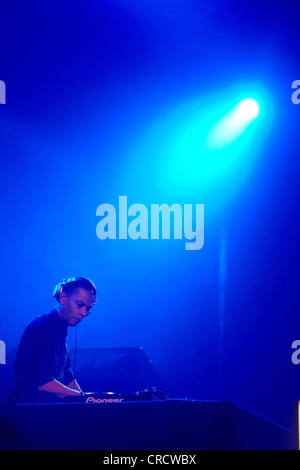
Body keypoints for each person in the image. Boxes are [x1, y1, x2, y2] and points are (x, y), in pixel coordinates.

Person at [7, 277, 97, 404]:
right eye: (80, 305)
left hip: (40, 413)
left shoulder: (61, 331)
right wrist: (83, 398)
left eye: (88, 309)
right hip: (23, 414)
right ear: (63, 298)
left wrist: (87, 403)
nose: (83, 313)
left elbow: (67, 377)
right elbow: (44, 383)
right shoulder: (42, 327)